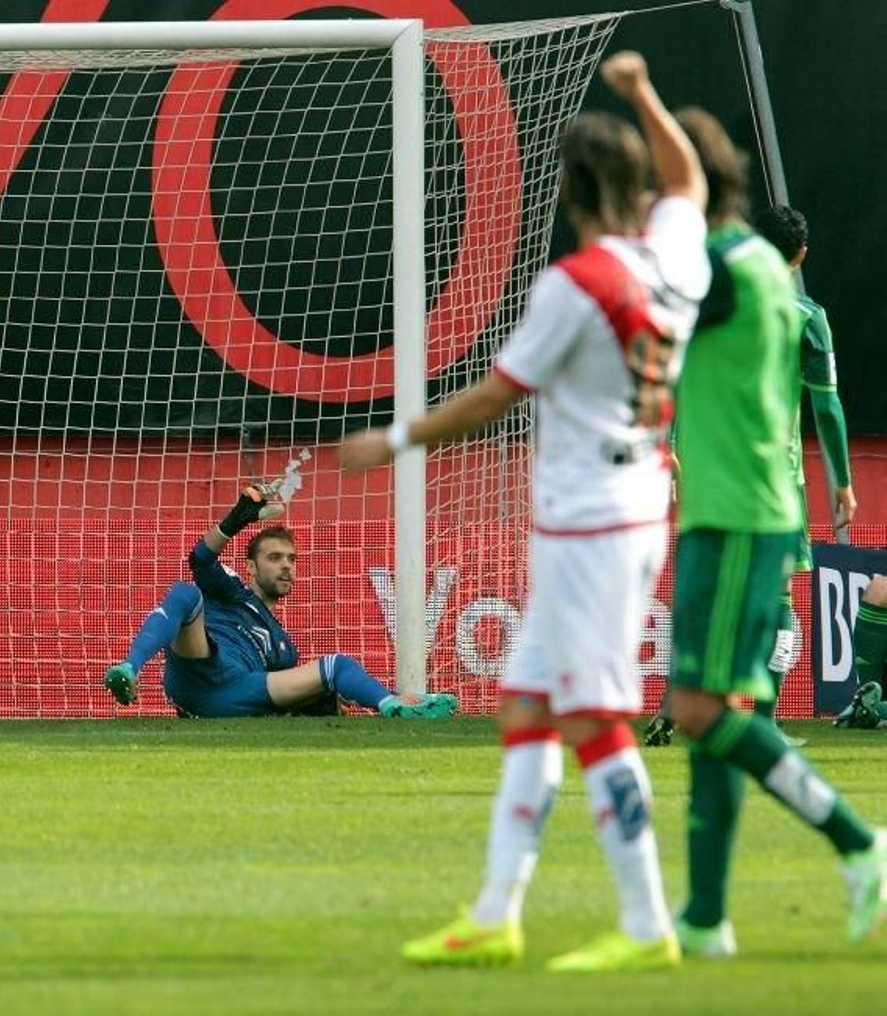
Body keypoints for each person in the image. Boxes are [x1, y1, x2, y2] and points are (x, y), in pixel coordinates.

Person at [345, 52, 708, 972]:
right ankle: (496, 910)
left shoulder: (577, 284)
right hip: (630, 499)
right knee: (528, 705)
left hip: (591, 518)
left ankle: (644, 921)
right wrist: (640, 91)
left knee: (592, 718)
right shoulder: (674, 258)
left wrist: (393, 441)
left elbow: (493, 399)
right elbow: (691, 180)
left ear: (570, 192)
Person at [662, 110, 885, 955]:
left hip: (748, 509)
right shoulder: (765, 286)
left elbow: (823, 404)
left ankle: (860, 842)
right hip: (730, 502)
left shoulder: (735, 278)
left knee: (702, 704)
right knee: (710, 706)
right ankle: (707, 916)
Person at [644, 203, 855, 749]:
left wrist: (667, 450)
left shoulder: (707, 308)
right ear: (801, 255)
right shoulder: (806, 316)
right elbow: (827, 408)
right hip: (772, 476)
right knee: (778, 596)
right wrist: (843, 481)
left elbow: (669, 378)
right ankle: (761, 714)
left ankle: (678, 698)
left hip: (706, 466)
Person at [101, 482, 458, 719]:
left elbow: (290, 700)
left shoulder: (284, 647)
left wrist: (326, 702)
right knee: (185, 593)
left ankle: (395, 705)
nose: (286, 566)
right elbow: (200, 560)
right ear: (251, 567)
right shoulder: (231, 590)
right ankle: (129, 670)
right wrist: (233, 522)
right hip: (200, 670)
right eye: (275, 558)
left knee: (336, 666)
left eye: (291, 559)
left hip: (233, 696)